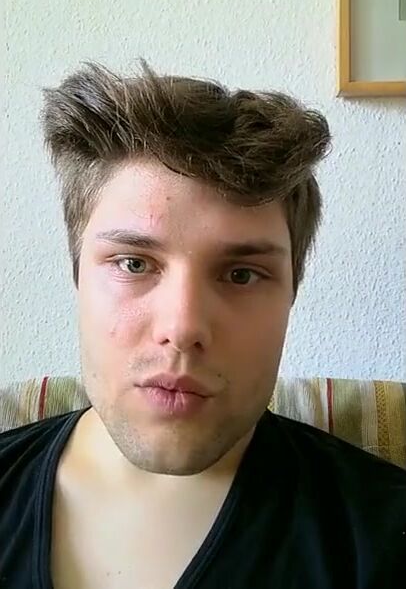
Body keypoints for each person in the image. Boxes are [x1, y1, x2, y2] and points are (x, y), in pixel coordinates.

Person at [0, 62, 405, 589]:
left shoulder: (384, 537)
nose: (183, 327)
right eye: (133, 264)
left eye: (241, 275)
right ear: (78, 274)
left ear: (291, 294)